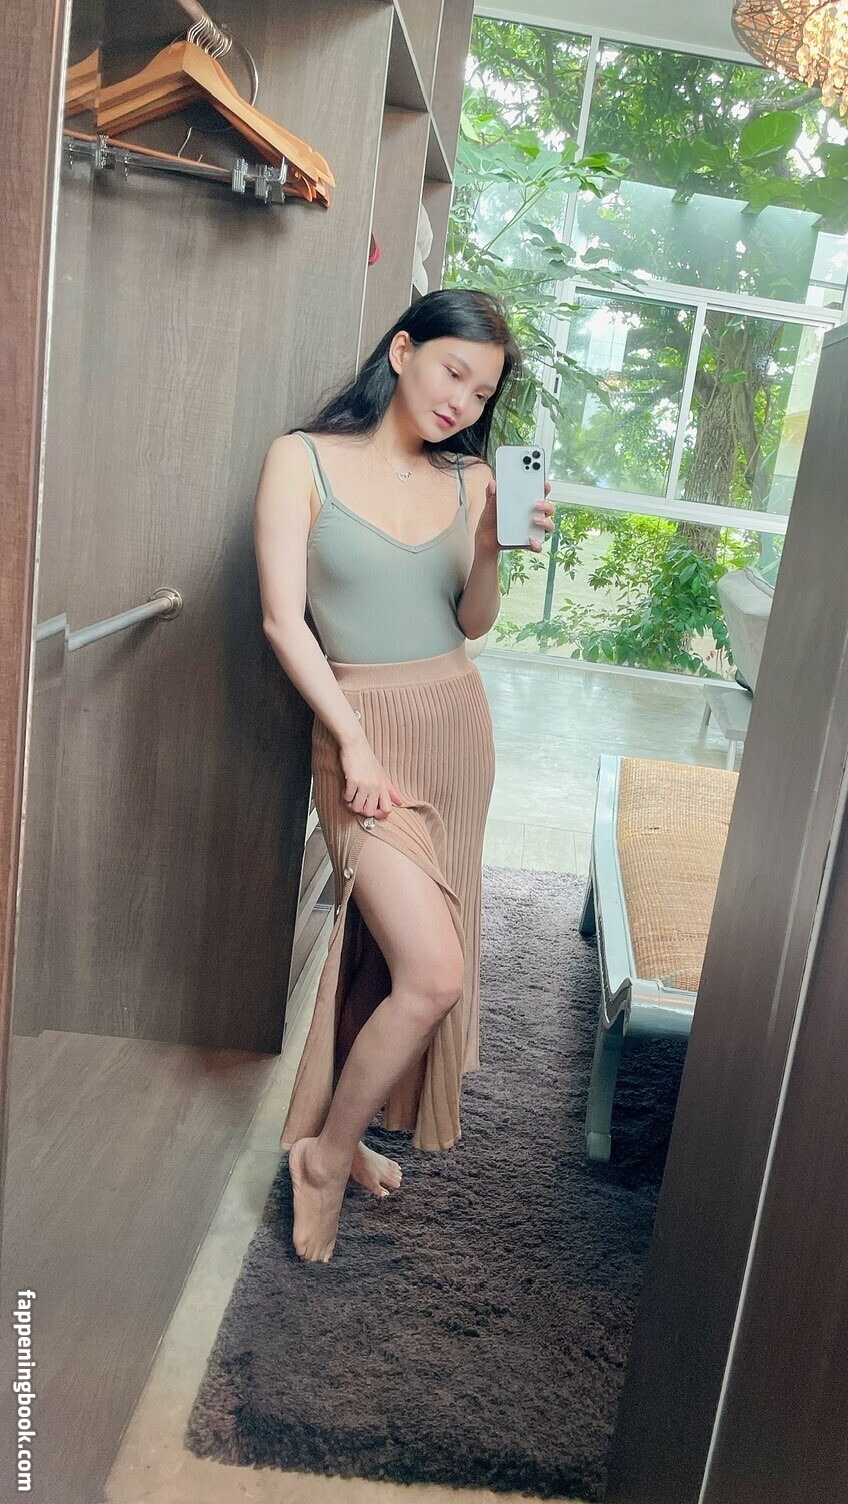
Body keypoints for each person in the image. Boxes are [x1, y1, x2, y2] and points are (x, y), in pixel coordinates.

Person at [254, 289, 554, 1263]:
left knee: (387, 963)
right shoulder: (301, 460)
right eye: (453, 371)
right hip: (360, 731)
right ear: (402, 350)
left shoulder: (473, 480)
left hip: (454, 728)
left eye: (483, 392)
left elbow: (473, 622)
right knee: (432, 972)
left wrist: (490, 549)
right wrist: (353, 742)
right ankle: (322, 1160)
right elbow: (283, 622)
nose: (463, 401)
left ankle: (331, 1137)